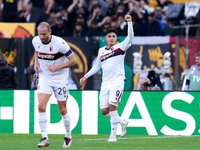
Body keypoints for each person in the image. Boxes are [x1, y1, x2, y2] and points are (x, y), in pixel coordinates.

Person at [80, 15, 134, 142]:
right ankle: (122, 122)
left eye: (114, 36)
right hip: (106, 83)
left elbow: (130, 37)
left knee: (112, 108)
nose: (111, 38)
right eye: (109, 36)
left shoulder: (121, 47)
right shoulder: (101, 51)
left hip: (117, 82)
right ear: (105, 38)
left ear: (116, 38)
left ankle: (113, 136)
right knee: (104, 111)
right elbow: (97, 66)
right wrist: (85, 76)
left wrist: (130, 23)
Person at [32, 22, 77, 148]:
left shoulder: (60, 44)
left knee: (62, 110)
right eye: (40, 34)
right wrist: (36, 63)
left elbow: (74, 61)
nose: (41, 37)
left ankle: (68, 135)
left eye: (44, 34)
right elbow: (37, 51)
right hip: (45, 78)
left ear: (50, 32)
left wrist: (57, 67)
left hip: (60, 80)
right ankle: (44, 138)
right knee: (41, 106)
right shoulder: (35, 41)